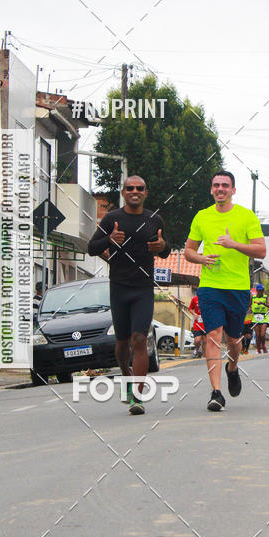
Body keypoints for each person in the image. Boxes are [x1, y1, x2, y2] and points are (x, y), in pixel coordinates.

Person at [87, 174, 170, 415]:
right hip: (119, 287)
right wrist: (109, 239)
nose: (135, 191)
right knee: (122, 343)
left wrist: (162, 247)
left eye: (140, 188)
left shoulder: (154, 219)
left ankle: (137, 395)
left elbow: (167, 249)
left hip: (143, 288)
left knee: (140, 340)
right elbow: (91, 248)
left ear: (145, 192)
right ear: (123, 193)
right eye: (130, 188)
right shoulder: (113, 218)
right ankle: (126, 376)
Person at [184, 170, 266, 412]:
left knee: (234, 339)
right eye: (216, 185)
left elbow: (261, 251)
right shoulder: (202, 217)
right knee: (213, 335)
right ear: (211, 189)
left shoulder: (246, 216)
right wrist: (200, 259)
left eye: (225, 185)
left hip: (238, 287)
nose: (220, 189)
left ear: (233, 190)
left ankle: (232, 367)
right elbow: (188, 250)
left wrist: (233, 244)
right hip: (210, 286)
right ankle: (216, 392)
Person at [251, 284, 269, 354]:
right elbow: (249, 306)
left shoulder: (265, 297)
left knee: (262, 334)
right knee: (257, 335)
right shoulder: (253, 298)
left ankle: (264, 346)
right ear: (256, 291)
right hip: (255, 317)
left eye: (262, 291)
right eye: (259, 291)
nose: (261, 292)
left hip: (264, 317)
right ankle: (258, 349)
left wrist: (263, 303)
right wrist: (249, 309)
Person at [188, 287, 206, 358]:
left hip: (206, 323)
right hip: (197, 323)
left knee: (205, 341)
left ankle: (204, 355)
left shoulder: (207, 299)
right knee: (197, 340)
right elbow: (190, 308)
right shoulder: (194, 299)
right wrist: (194, 314)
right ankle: (197, 349)